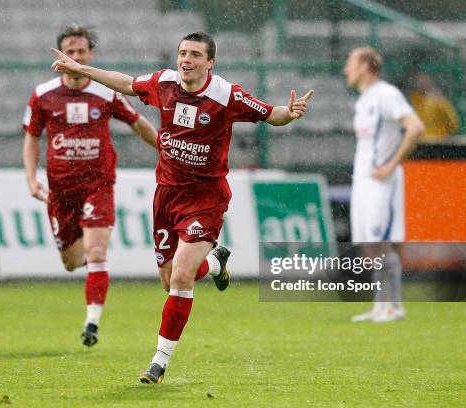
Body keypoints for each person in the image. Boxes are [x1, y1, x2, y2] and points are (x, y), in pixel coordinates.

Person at [51, 31, 314, 383]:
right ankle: (215, 260)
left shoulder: (227, 95)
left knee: (180, 276)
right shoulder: (163, 83)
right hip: (167, 196)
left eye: (194, 55)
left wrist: (290, 113)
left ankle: (158, 363)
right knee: (169, 279)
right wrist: (83, 68)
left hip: (205, 197)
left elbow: (271, 114)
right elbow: (128, 83)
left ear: (210, 63)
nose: (185, 59)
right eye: (182, 53)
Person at [22, 24, 158, 347]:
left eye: (82, 51)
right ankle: (94, 270)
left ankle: (92, 322)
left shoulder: (106, 93)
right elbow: (31, 137)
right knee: (71, 262)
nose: (76, 56)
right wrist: (30, 177)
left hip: (99, 184)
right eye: (70, 51)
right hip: (61, 190)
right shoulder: (43, 95)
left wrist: (167, 150)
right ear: (60, 56)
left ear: (90, 55)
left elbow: (138, 124)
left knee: (97, 250)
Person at [343, 47, 424, 323]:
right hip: (364, 182)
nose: (346, 70)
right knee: (370, 248)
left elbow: (415, 127)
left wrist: (392, 164)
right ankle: (381, 305)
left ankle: (394, 306)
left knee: (382, 243)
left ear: (365, 65)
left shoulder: (387, 95)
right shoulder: (364, 100)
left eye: (350, 63)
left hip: (382, 182)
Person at [409, 72, 460, 142]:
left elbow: (453, 123)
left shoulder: (438, 101)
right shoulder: (414, 101)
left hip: (434, 141)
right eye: (419, 84)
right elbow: (453, 124)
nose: (421, 86)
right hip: (427, 141)